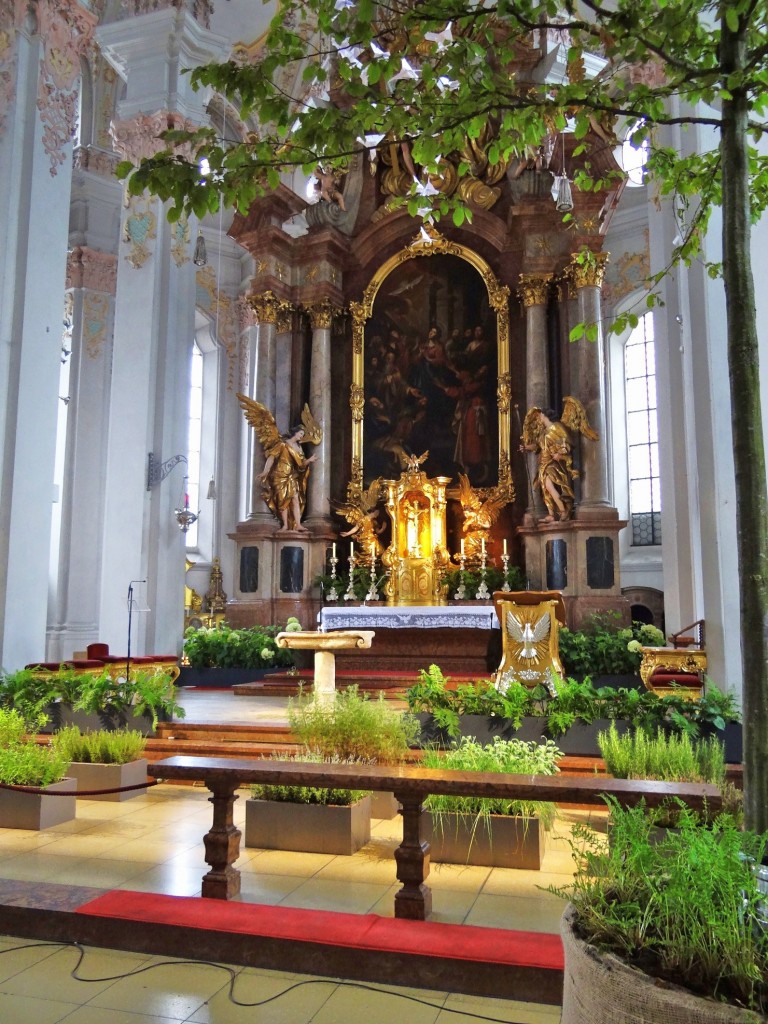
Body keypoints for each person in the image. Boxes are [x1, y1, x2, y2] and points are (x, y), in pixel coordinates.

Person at [521, 408, 576, 522]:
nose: (540, 418)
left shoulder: (556, 427)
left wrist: (559, 454)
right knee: (545, 489)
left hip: (553, 462)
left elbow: (567, 444)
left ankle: (563, 510)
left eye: (541, 416)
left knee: (550, 486)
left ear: (546, 416)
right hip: (543, 463)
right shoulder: (543, 432)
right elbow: (538, 446)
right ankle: (551, 514)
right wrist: (526, 447)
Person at [260, 426, 317, 531]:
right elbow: (272, 457)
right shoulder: (283, 445)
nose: (302, 436)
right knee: (283, 501)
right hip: (279, 475)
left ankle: (298, 524)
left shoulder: (299, 448)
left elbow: (301, 465)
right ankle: (285, 525)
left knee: (295, 499)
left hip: (291, 475)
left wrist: (309, 460)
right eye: (301, 434)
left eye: (303, 435)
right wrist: (266, 471)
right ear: (295, 433)